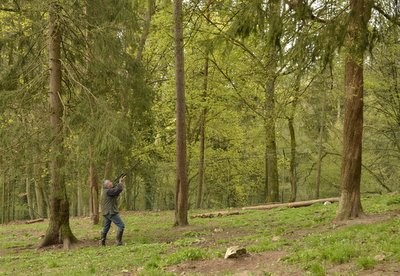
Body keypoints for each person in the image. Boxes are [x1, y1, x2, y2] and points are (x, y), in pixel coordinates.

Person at [100, 176, 125, 246]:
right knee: (121, 225)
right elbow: (118, 190)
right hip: (111, 212)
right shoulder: (109, 191)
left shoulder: (107, 191)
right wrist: (120, 182)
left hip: (106, 212)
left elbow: (116, 192)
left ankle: (102, 242)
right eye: (110, 182)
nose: (111, 183)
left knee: (106, 227)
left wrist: (119, 183)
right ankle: (118, 242)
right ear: (107, 185)